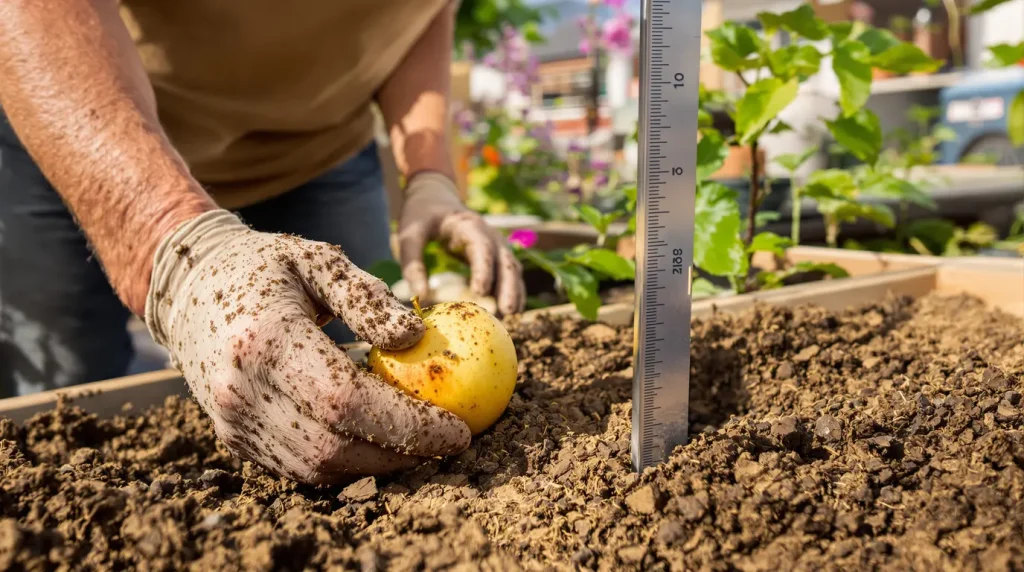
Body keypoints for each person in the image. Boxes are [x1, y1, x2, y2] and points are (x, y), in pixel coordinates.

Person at [0, 0, 526, 484]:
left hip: (320, 151)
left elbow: (416, 13)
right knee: (66, 399)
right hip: (88, 119)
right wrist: (177, 248)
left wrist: (431, 175)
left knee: (342, 389)